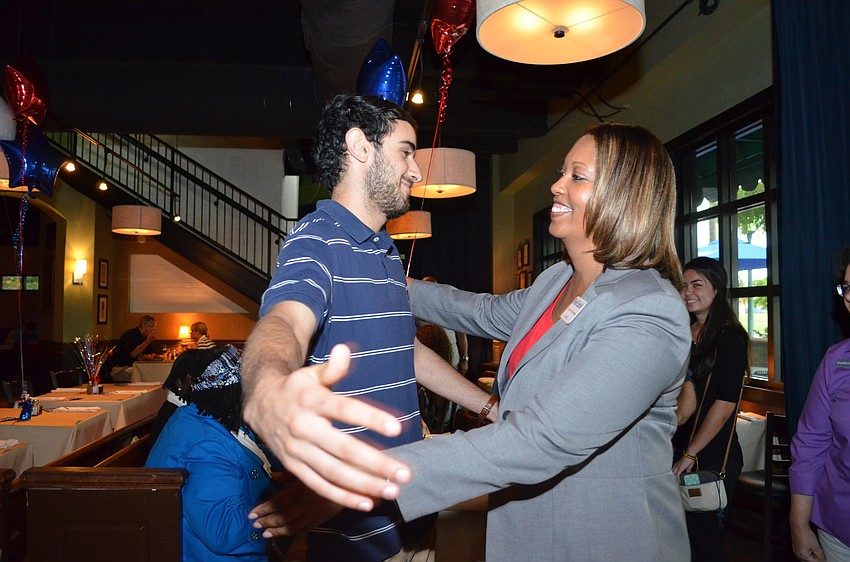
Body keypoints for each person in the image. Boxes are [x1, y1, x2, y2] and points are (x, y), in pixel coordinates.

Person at [248, 122, 693, 561]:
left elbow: (539, 439)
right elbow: (478, 311)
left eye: (577, 177)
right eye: (562, 173)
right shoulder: (557, 281)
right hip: (529, 531)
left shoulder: (648, 309)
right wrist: (377, 276)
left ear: (624, 195)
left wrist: (360, 480)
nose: (556, 186)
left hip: (604, 539)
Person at [240, 93, 496, 562]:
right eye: (406, 152)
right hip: (356, 538)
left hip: (412, 510)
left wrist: (486, 404)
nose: (415, 171)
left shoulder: (384, 250)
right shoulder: (315, 240)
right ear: (360, 146)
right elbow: (285, 321)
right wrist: (266, 386)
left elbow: (406, 351)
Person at [145, 344, 275, 561]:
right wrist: (284, 512)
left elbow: (246, 451)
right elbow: (225, 532)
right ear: (234, 394)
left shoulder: (203, 415)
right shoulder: (206, 446)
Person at [672, 257, 749, 562]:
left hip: (710, 455)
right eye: (684, 286)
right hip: (676, 449)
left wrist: (691, 453)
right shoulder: (682, 332)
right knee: (679, 541)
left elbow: (726, 403)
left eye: (697, 285)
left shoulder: (730, 336)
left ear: (716, 289)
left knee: (706, 542)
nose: (688, 292)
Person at [789, 246, 850, 562]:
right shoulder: (836, 361)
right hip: (839, 529)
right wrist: (799, 524)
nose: (849, 297)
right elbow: (811, 443)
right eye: (847, 287)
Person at [420, 276, 469, 376]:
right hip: (427, 363)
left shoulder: (448, 308)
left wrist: (465, 359)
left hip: (451, 362)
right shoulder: (416, 310)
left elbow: (461, 336)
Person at [110, 315, 159, 382]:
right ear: (144, 326)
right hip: (122, 369)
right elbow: (133, 354)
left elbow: (150, 353)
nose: (153, 329)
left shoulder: (146, 337)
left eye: (154, 327)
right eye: (151, 326)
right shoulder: (130, 335)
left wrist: (148, 357)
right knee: (148, 375)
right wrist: (147, 341)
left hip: (137, 367)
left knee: (153, 373)